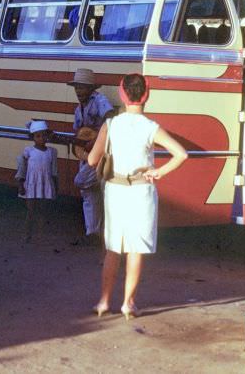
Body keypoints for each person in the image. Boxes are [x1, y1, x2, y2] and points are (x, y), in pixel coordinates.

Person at [87, 73, 187, 319]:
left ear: (122, 95)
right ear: (146, 96)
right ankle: (128, 303)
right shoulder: (150, 127)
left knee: (113, 248)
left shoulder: (110, 125)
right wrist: (158, 172)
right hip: (142, 190)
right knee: (135, 249)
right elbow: (181, 154)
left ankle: (103, 301)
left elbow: (91, 160)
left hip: (115, 190)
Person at [69, 68, 115, 244]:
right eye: (77, 88)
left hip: (101, 152)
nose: (79, 91)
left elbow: (110, 118)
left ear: (90, 88)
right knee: (88, 193)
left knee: (80, 181)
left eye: (82, 88)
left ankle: (101, 178)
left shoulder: (99, 100)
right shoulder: (77, 109)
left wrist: (97, 137)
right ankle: (92, 233)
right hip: (87, 154)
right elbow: (79, 132)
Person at [15, 120, 58, 242]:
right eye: (38, 136)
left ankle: (40, 235)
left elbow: (54, 171)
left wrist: (56, 186)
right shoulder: (28, 151)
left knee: (42, 211)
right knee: (30, 211)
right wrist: (20, 184)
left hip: (45, 185)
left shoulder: (52, 152)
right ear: (32, 137)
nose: (42, 138)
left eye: (44, 135)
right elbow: (22, 168)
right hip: (31, 185)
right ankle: (27, 234)